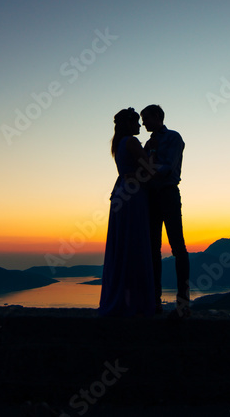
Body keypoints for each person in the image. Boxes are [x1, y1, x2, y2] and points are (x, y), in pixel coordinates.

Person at [97, 108, 156, 317]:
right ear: (129, 125)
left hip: (122, 192)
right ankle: (135, 303)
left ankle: (121, 299)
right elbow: (150, 169)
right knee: (134, 243)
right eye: (137, 123)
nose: (140, 126)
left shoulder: (119, 144)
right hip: (133, 194)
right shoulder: (131, 142)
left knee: (122, 244)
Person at [140, 104, 190, 318]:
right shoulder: (149, 143)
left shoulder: (173, 138)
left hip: (168, 193)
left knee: (177, 247)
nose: (143, 124)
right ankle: (155, 301)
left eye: (147, 118)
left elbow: (168, 167)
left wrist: (149, 169)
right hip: (151, 196)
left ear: (158, 117)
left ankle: (183, 303)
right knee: (153, 249)